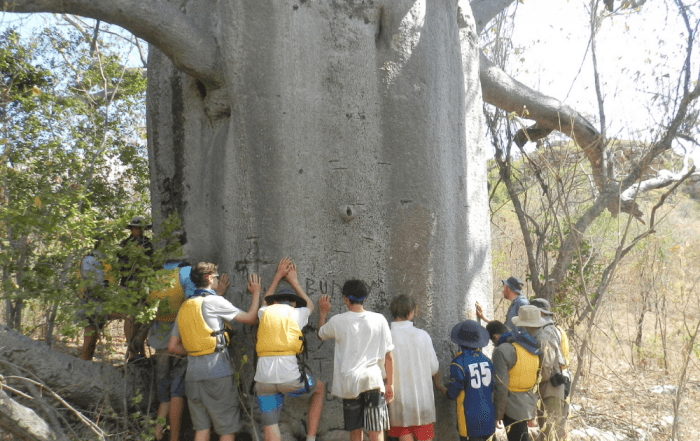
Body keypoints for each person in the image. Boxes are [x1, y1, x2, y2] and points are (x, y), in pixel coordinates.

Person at [168, 262, 261, 441]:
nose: (218, 279)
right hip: (217, 374)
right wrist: (256, 293)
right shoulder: (214, 301)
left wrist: (197, 350)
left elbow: (172, 346)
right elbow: (250, 318)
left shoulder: (185, 306)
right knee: (226, 429)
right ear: (210, 278)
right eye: (216, 277)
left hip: (193, 377)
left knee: (201, 429)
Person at [254, 258, 325, 441]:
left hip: (263, 379)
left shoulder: (265, 312)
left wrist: (278, 275)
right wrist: (294, 280)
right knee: (320, 389)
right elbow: (310, 305)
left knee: (271, 426)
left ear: (273, 303)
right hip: (290, 378)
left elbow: (263, 302)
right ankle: (311, 438)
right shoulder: (297, 313)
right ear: (293, 304)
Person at [317, 280, 394, 441]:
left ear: (346, 299)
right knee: (376, 429)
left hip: (350, 382)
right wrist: (390, 383)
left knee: (355, 430)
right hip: (373, 380)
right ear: (365, 298)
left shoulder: (338, 321)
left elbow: (321, 334)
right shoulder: (379, 320)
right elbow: (388, 355)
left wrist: (323, 312)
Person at [147, 259, 196, 441]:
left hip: (159, 344)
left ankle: (158, 432)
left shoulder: (154, 275)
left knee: (163, 393)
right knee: (177, 391)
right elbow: (194, 304)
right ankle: (174, 437)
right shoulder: (186, 273)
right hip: (179, 343)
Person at [387, 295, 445, 441]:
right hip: (422, 401)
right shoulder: (422, 336)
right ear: (410, 313)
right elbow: (434, 368)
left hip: (398, 401)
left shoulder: (387, 337)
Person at [487, 308, 544, 441]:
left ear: (495, 337)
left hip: (511, 406)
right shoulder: (530, 345)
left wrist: (498, 415)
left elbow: (501, 386)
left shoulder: (502, 350)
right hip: (529, 402)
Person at [446, 320, 495, 441]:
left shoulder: (458, 363)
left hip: (469, 421)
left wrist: (440, 387)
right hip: (489, 416)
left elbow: (452, 394)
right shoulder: (487, 361)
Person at [528, 299, 567, 441]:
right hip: (549, 388)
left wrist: (532, 387)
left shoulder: (545, 334)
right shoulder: (549, 329)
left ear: (540, 313)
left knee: (550, 434)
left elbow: (546, 366)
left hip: (550, 389)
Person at [118, 216, 154, 360]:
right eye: (134, 228)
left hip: (144, 284)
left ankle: (140, 347)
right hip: (128, 284)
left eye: (139, 228)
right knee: (129, 316)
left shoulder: (148, 244)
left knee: (144, 316)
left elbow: (152, 262)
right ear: (131, 229)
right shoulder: (124, 244)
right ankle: (131, 349)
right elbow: (121, 264)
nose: (136, 230)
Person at [78, 236, 116, 361]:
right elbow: (91, 285)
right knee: (90, 335)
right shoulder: (90, 260)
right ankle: (84, 363)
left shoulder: (104, 260)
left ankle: (87, 362)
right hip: (91, 302)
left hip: (102, 302)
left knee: (93, 335)